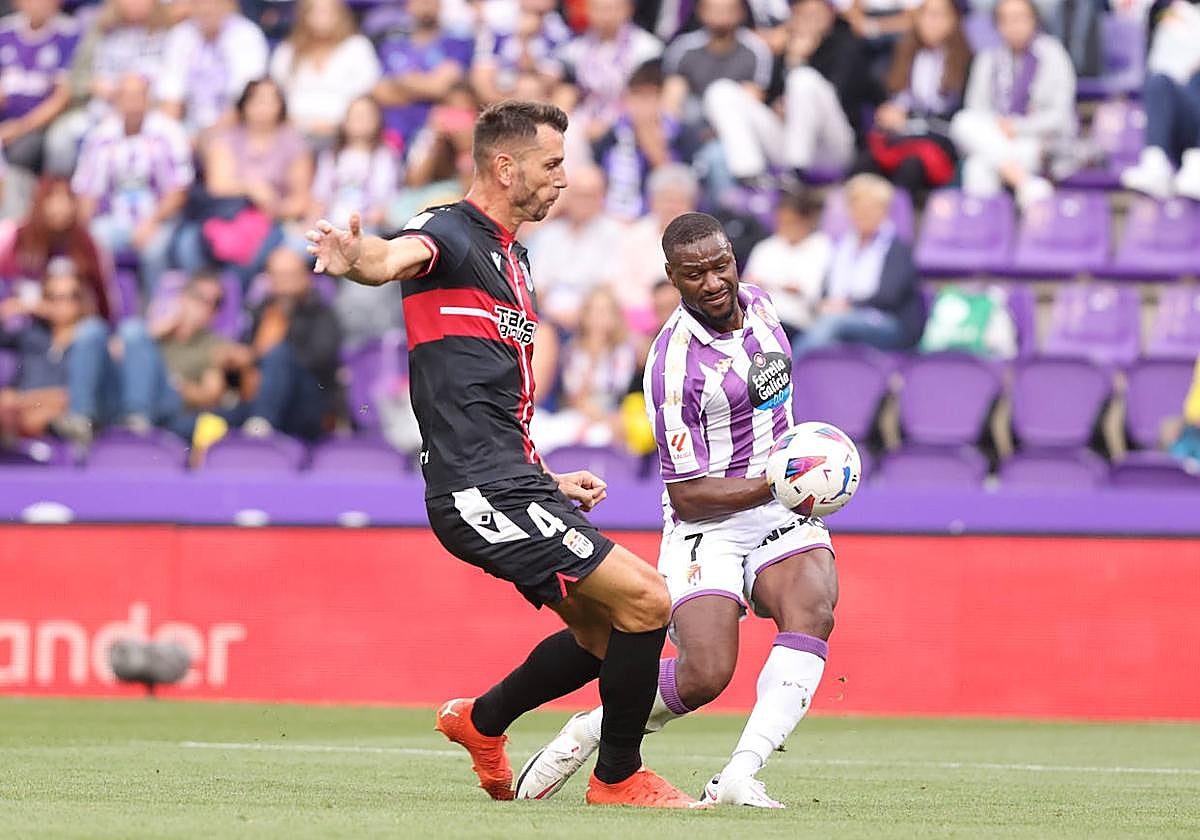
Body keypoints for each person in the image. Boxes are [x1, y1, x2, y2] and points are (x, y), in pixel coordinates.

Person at [305, 100, 699, 809]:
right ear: (506, 166)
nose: (563, 179)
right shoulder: (447, 231)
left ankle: (481, 721)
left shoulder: (515, 258)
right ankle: (617, 779)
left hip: (513, 477)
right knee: (648, 600)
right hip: (476, 489)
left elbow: (487, 398)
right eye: (553, 164)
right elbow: (391, 257)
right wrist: (355, 257)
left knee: (603, 634)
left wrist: (545, 476)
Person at [515, 212, 838, 809]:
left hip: (780, 507)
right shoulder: (672, 365)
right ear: (672, 277)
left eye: (720, 266)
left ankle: (740, 773)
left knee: (812, 610)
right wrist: (782, 481)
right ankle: (594, 727)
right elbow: (688, 495)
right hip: (709, 523)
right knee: (704, 675)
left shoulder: (764, 307)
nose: (713, 282)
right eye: (694, 274)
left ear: (734, 258)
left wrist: (801, 465)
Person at [172, 78, 313, 285]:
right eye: (257, 100)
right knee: (188, 244)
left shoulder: (294, 144)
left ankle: (234, 299)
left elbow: (300, 200)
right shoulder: (227, 139)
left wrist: (273, 208)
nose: (262, 108)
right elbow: (218, 185)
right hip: (225, 218)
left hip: (272, 221)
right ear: (244, 104)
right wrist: (252, 189)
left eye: (270, 101)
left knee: (255, 257)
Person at [71, 73, 193, 293]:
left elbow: (179, 191)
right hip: (114, 220)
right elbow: (86, 191)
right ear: (117, 100)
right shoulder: (101, 136)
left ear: (149, 100)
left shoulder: (169, 132)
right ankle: (106, 305)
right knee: (94, 241)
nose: (132, 103)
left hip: (159, 219)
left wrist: (151, 222)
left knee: (155, 249)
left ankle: (157, 308)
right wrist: (83, 231)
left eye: (138, 96)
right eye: (126, 96)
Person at [948, 0, 1075, 207]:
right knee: (962, 122)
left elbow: (1060, 117)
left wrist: (1018, 127)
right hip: (997, 136)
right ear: (997, 25)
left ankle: (997, 216)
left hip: (1037, 141)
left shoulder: (1053, 54)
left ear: (1034, 20)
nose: (1014, 26)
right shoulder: (987, 58)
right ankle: (1024, 182)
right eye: (1006, 20)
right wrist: (1000, 127)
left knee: (979, 164)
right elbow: (976, 110)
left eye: (1020, 18)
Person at [794, 173, 925, 354]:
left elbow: (889, 296)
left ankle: (792, 368)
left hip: (888, 322)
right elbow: (827, 289)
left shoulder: (897, 248)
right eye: (858, 207)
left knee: (833, 323)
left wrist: (848, 305)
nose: (864, 214)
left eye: (870, 208)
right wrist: (826, 304)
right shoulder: (842, 245)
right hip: (841, 316)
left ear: (884, 211)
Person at [852, 0, 972, 197]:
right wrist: (889, 114)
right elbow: (895, 98)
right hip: (901, 136)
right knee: (865, 163)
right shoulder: (903, 54)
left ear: (954, 20)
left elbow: (959, 116)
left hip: (939, 140)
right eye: (926, 15)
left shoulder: (967, 61)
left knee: (910, 167)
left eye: (940, 15)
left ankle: (902, 214)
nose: (932, 22)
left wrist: (910, 120)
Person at [224, 246, 340, 440]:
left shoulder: (320, 314)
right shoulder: (258, 312)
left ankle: (261, 422)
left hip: (306, 402)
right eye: (278, 275)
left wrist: (259, 357)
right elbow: (245, 353)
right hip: (255, 394)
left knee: (280, 354)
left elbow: (322, 361)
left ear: (305, 277)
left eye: (291, 275)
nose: (285, 283)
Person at [48, 0, 172, 177]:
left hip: (148, 114)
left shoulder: (168, 35)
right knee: (60, 139)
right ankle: (63, 191)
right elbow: (75, 78)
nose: (134, 3)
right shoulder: (100, 31)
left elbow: (173, 85)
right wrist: (92, 84)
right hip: (100, 111)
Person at [0, 258, 114, 446]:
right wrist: (19, 306)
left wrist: (24, 400)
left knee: (39, 418)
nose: (63, 304)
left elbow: (78, 395)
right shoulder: (32, 335)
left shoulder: (91, 341)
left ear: (82, 300)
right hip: (21, 415)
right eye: (54, 297)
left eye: (72, 296)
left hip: (65, 418)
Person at [117, 271, 231, 439]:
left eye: (216, 303)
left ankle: (137, 420)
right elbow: (114, 353)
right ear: (182, 297)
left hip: (172, 406)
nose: (207, 307)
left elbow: (211, 395)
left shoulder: (214, 345)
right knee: (132, 329)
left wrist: (179, 387)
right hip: (131, 399)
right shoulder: (151, 334)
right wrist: (158, 330)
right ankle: (136, 418)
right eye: (200, 298)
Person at [529, 286, 639, 452]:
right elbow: (575, 397)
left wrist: (605, 419)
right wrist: (591, 360)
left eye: (605, 311)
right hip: (577, 414)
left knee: (602, 436)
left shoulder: (624, 352)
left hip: (612, 416)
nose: (599, 318)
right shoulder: (572, 350)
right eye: (594, 311)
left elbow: (618, 392)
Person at [592, 60, 698, 221]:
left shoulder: (680, 134)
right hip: (611, 214)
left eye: (648, 97)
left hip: (657, 217)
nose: (641, 104)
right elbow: (598, 171)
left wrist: (647, 136)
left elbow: (676, 183)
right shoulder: (615, 132)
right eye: (636, 96)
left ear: (660, 98)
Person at [0, 175, 113, 322]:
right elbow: (9, 297)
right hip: (28, 322)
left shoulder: (84, 242)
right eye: (54, 199)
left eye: (67, 199)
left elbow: (99, 299)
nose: (62, 207)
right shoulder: (21, 239)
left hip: (75, 324)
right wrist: (41, 308)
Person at [526, 164, 625, 331]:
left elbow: (608, 286)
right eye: (578, 195)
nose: (583, 202)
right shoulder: (550, 233)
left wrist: (581, 314)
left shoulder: (613, 233)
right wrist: (552, 313)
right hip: (548, 317)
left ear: (601, 198)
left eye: (590, 196)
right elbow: (537, 285)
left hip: (593, 319)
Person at [268, 0, 381, 144]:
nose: (322, 18)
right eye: (315, 12)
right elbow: (276, 93)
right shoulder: (287, 50)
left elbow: (365, 93)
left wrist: (338, 125)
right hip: (293, 133)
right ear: (304, 16)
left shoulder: (357, 47)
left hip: (345, 135)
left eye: (328, 12)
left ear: (340, 15)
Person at [1119, 0, 1200, 200]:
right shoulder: (1174, 13)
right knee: (1158, 81)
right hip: (1184, 114)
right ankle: (1156, 163)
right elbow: (1161, 67)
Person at [156, 0, 269, 137]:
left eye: (213, 2)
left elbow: (245, 102)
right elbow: (170, 100)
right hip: (188, 129)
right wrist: (173, 137)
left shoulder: (247, 35)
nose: (206, 8)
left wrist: (208, 137)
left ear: (228, 4)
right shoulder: (180, 35)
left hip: (237, 129)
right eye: (199, 2)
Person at [555, 0, 664, 142]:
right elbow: (568, 92)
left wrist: (606, 123)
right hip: (585, 119)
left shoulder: (647, 49)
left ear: (628, 9)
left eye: (612, 9)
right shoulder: (573, 49)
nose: (606, 16)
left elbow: (646, 96)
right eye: (599, 9)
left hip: (630, 120)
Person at [373, 0, 475, 151]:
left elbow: (440, 87)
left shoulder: (456, 42)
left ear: (440, 5)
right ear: (408, 5)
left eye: (431, 1)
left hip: (437, 131)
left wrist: (402, 82)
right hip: (395, 130)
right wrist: (426, 84)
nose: (425, 5)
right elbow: (381, 92)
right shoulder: (393, 44)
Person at [0, 0, 80, 185]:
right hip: (5, 119)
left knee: (21, 153)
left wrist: (20, 127)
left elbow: (62, 97)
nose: (38, 4)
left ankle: (15, 205)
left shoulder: (69, 33)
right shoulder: (5, 30)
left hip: (39, 124)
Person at [743, 188, 832, 340]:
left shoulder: (821, 245)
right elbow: (748, 286)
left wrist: (768, 283)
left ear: (805, 221)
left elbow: (809, 292)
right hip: (758, 317)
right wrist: (784, 286)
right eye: (781, 222)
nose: (784, 227)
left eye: (791, 222)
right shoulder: (765, 247)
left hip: (796, 322)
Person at [471, 0, 571, 105]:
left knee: (534, 87)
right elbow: (482, 71)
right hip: (501, 88)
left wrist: (524, 41)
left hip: (537, 91)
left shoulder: (557, 29)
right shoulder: (497, 20)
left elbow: (550, 79)